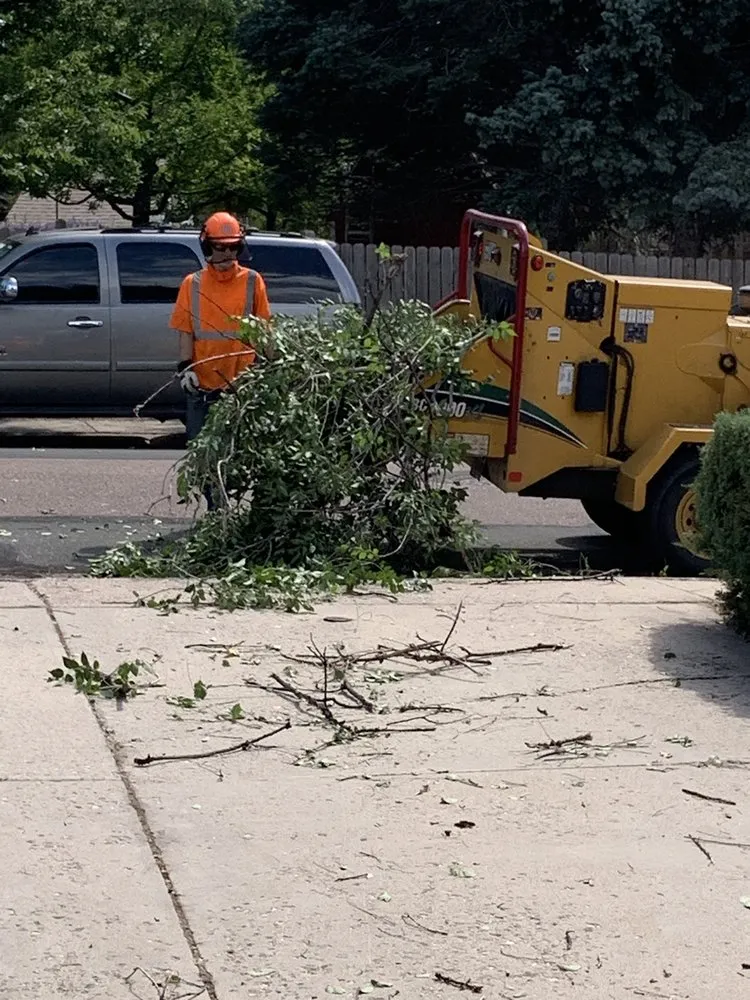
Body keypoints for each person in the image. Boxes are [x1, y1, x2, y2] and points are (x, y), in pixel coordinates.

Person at [170, 211, 272, 507]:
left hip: (242, 386)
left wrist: (270, 369)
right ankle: (217, 510)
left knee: (240, 455)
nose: (227, 253)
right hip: (203, 385)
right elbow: (186, 330)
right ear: (207, 247)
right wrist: (184, 367)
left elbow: (265, 332)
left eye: (233, 247)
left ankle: (232, 512)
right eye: (220, 247)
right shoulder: (193, 283)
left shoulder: (253, 282)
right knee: (202, 455)